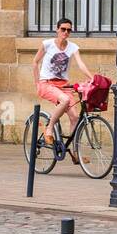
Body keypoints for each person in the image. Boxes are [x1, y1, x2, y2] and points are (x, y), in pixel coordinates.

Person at [32, 18, 94, 161]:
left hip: (64, 85)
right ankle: (50, 127)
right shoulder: (47, 44)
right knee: (65, 100)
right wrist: (37, 83)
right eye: (63, 29)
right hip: (47, 83)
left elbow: (80, 64)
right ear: (57, 30)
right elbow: (35, 62)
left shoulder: (73, 47)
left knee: (74, 117)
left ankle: (75, 153)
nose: (66, 32)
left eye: (69, 30)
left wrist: (92, 78)